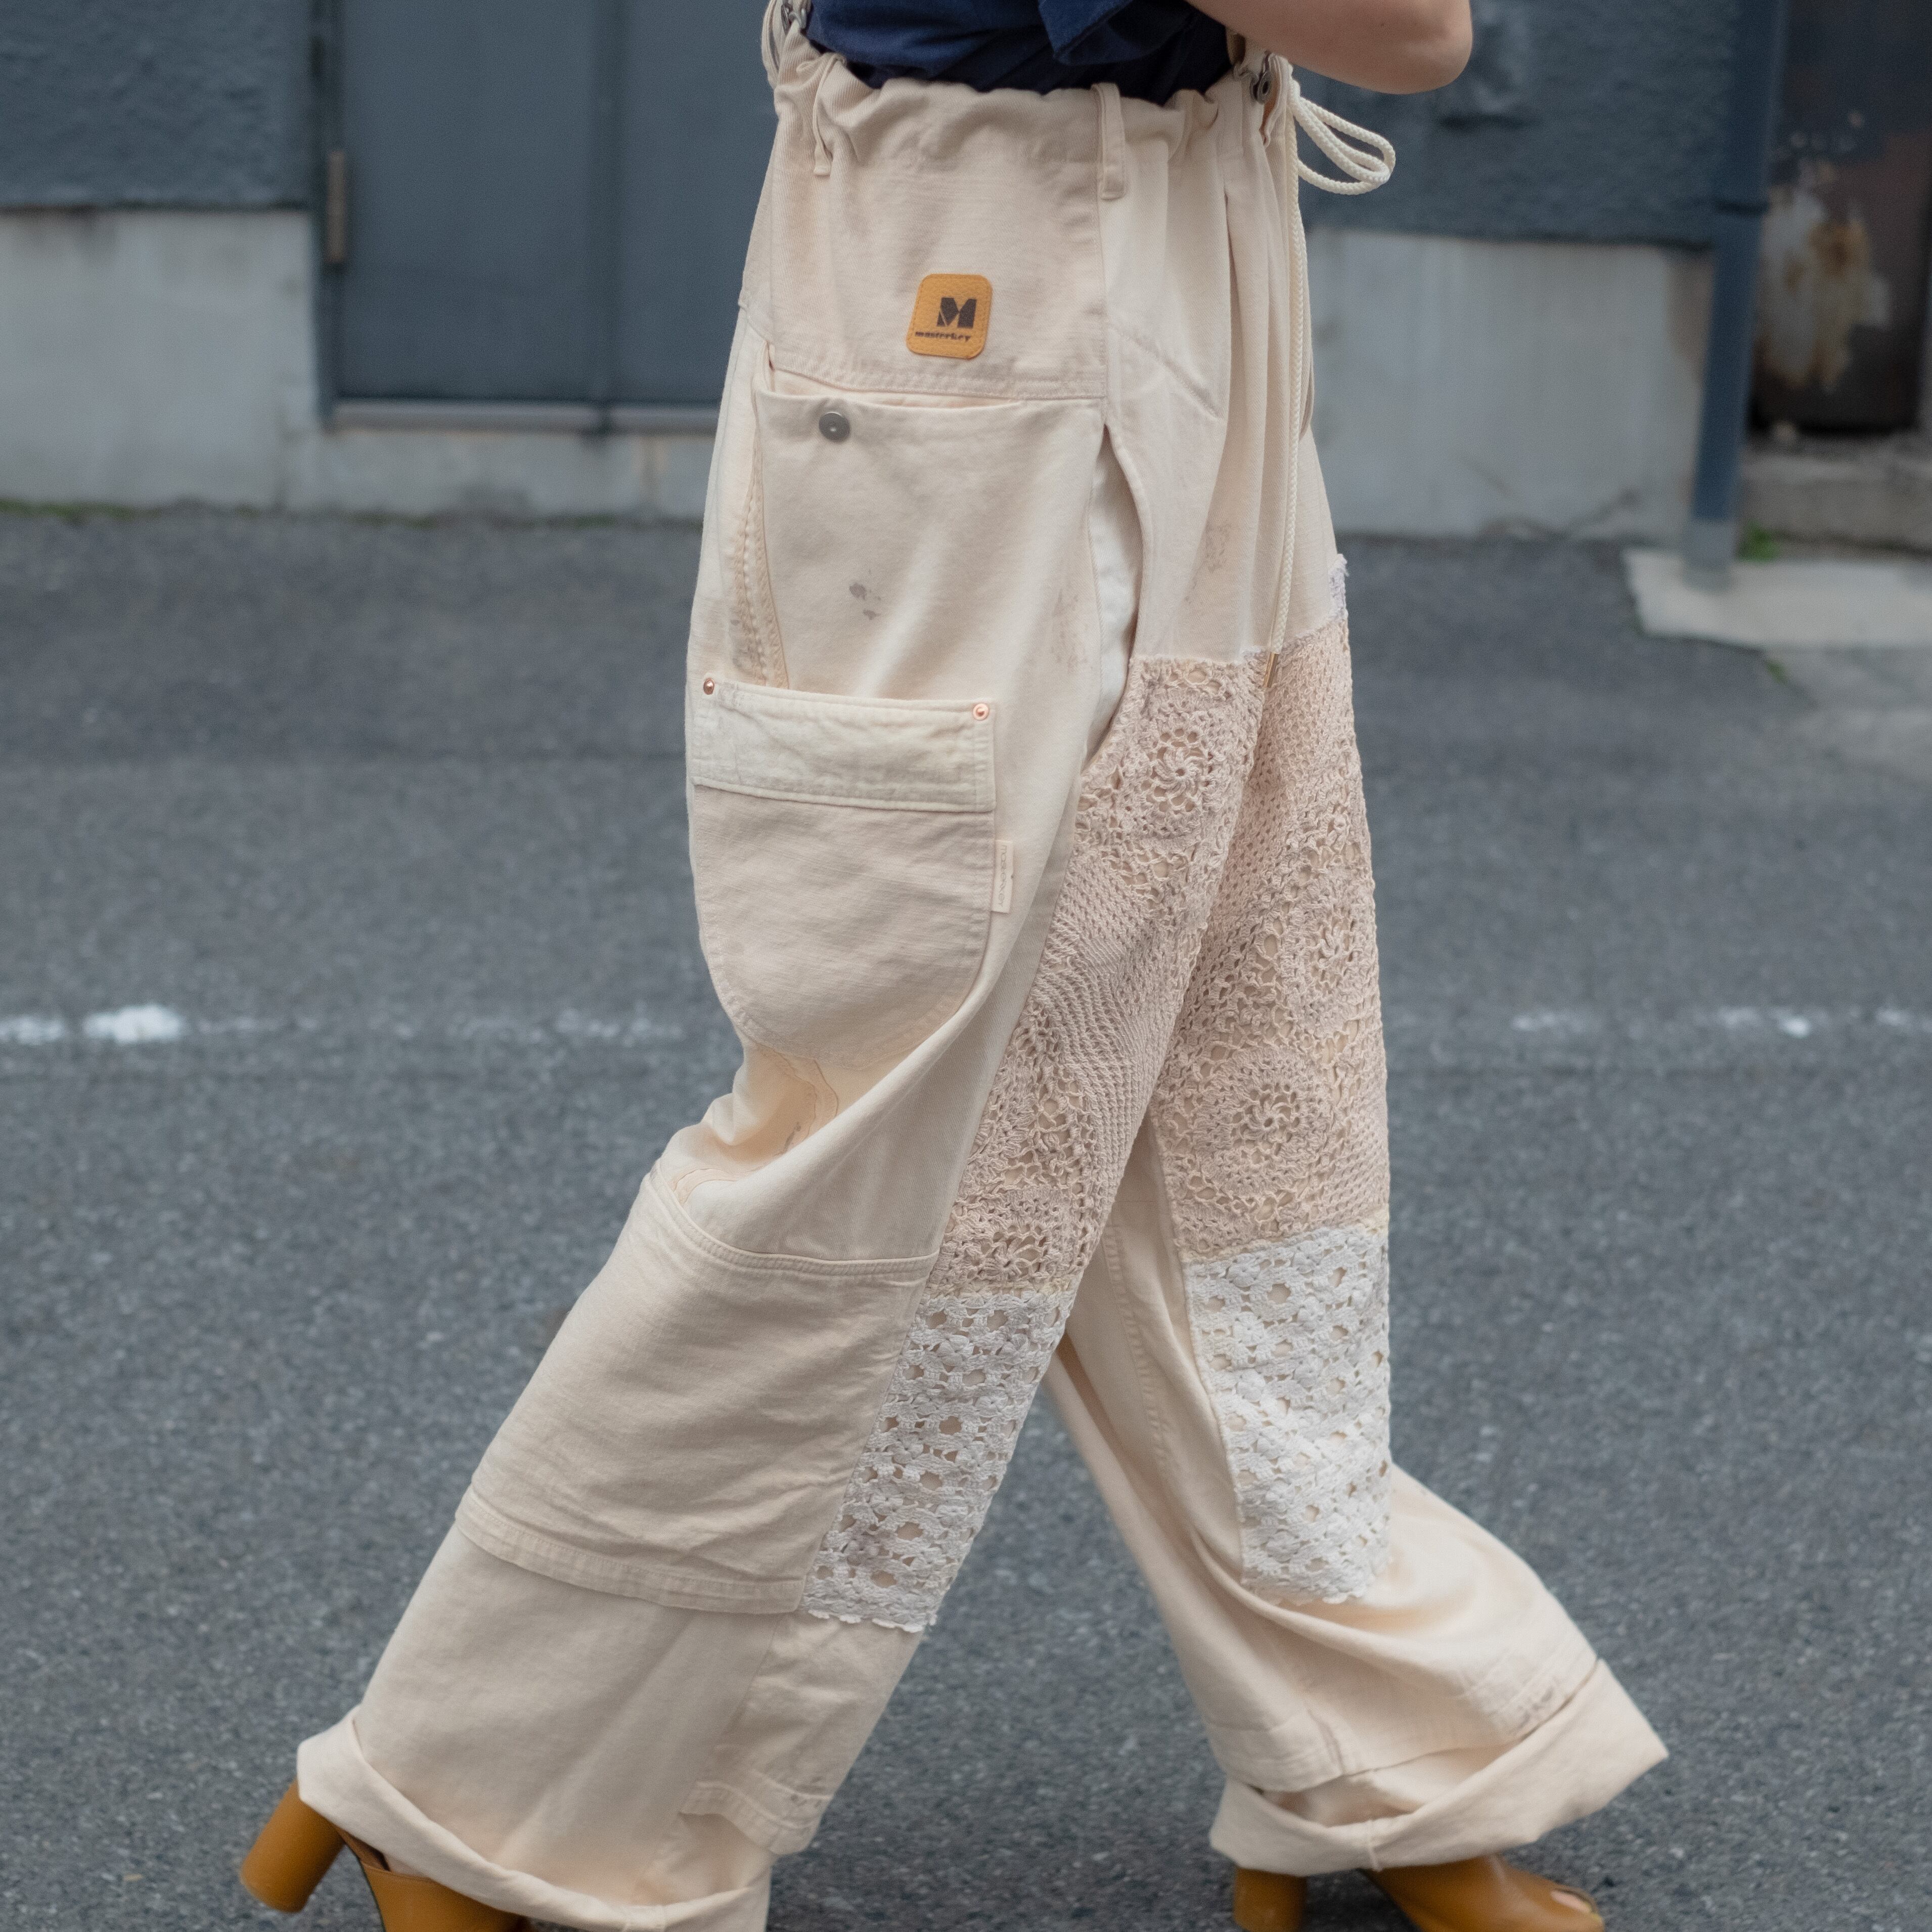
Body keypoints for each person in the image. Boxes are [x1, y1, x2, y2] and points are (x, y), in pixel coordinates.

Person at [239, 4, 1666, 1929]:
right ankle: (472, 1782)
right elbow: (1409, 29)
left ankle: (1379, 1754)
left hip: (1172, 249)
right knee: (874, 1147)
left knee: (1229, 1109)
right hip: (989, 302)